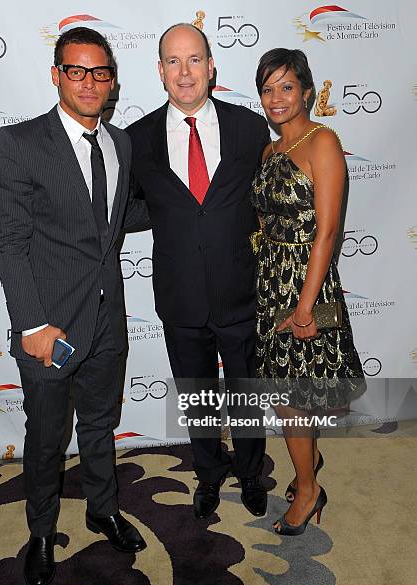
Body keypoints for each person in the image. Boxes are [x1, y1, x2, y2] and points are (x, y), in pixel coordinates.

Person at [0, 27, 148, 585]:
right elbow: (7, 240)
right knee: (47, 435)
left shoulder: (120, 143)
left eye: (99, 72)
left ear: (111, 81)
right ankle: (39, 533)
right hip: (48, 325)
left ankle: (102, 510)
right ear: (56, 74)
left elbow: (114, 217)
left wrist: (194, 209)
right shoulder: (20, 142)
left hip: (107, 319)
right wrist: (31, 323)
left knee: (101, 424)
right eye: (76, 71)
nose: (88, 82)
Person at [127, 23, 270, 520]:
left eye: (194, 60)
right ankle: (208, 475)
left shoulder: (250, 128)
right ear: (160, 71)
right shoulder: (136, 139)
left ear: (212, 67)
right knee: (198, 394)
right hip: (180, 293)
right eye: (173, 61)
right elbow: (124, 208)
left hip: (241, 290)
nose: (184, 72)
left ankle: (252, 471)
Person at [252, 48, 366, 536]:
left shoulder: (324, 142)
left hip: (305, 281)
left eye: (286, 87)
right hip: (270, 279)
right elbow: (264, 217)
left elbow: (327, 231)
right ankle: (308, 468)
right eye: (267, 88)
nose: (276, 98)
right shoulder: (269, 151)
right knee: (288, 393)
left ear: (305, 90)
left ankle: (308, 489)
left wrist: (304, 304)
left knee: (291, 397)